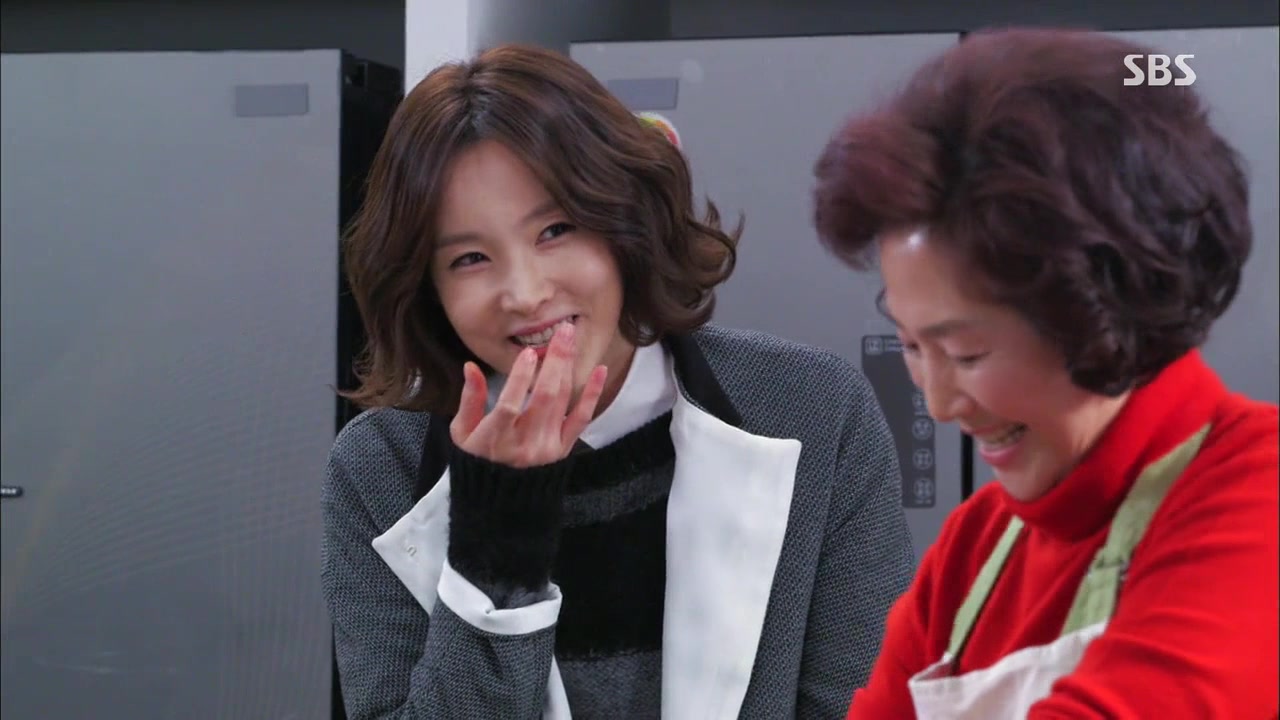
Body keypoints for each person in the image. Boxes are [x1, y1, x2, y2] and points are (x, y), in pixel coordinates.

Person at [322, 43, 915, 719]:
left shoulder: (815, 409)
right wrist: (496, 544)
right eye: (470, 258)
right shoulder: (380, 468)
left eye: (556, 229)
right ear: (427, 287)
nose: (525, 292)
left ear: (625, 221)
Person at [811, 27, 1279, 719]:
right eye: (911, 346)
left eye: (966, 354)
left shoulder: (1255, 498)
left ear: (1106, 311)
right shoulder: (976, 547)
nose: (939, 404)